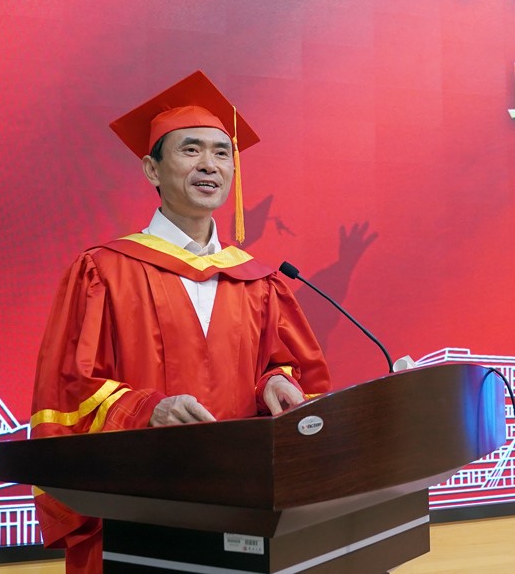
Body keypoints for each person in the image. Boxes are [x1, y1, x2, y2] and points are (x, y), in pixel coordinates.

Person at [30, 70, 331, 573]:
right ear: (152, 169)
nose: (209, 165)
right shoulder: (104, 271)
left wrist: (274, 385)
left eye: (221, 153)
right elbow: (71, 387)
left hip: (242, 500)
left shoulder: (258, 280)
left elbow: (282, 365)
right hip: (139, 501)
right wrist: (148, 408)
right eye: (191, 150)